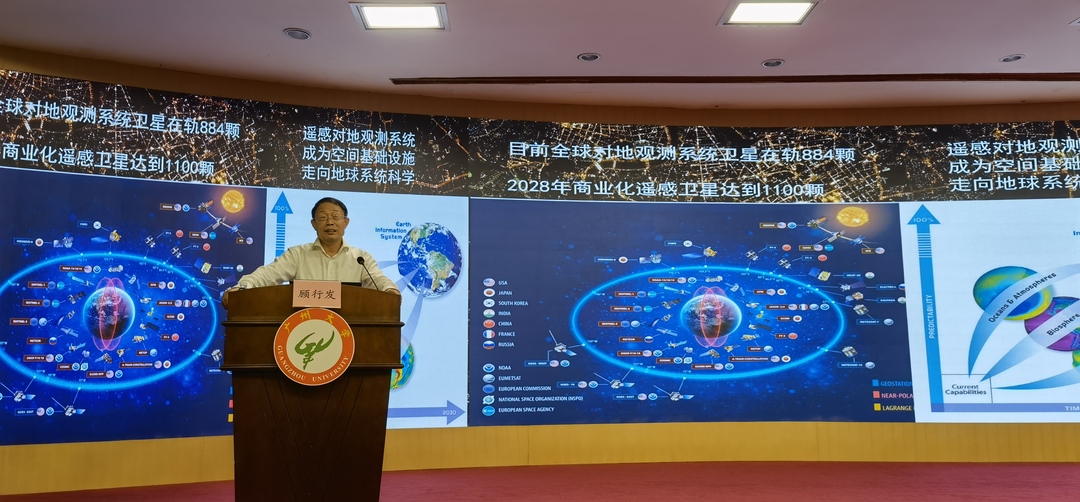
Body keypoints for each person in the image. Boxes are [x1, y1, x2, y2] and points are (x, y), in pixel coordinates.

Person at [223, 197, 399, 307]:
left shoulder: (360, 258)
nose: (330, 222)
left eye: (335, 217)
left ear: (346, 223)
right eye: (323, 218)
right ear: (314, 224)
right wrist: (241, 288)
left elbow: (378, 279)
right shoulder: (298, 255)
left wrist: (390, 290)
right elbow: (267, 274)